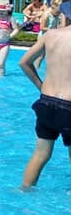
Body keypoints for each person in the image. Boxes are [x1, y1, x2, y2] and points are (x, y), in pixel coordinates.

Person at [18, 25, 71, 188]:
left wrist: (41, 86)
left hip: (47, 102)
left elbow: (24, 62)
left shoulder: (51, 35)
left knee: (41, 154)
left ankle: (24, 191)